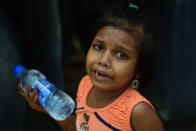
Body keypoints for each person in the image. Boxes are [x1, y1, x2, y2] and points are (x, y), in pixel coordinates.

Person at [18, 4, 164, 131]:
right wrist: (49, 108)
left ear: (139, 70)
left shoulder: (137, 111)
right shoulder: (86, 85)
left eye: (121, 55)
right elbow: (78, 128)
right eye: (99, 47)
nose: (103, 60)